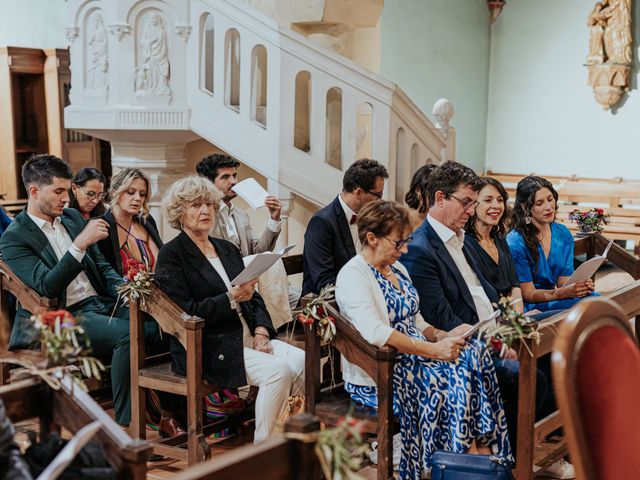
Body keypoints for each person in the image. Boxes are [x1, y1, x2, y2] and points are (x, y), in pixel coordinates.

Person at [336, 200, 511, 479]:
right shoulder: (353, 275)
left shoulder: (397, 270)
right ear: (371, 238)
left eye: (406, 241)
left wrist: (444, 334)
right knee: (453, 378)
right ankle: (458, 462)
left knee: (474, 353)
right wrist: (433, 350)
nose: (404, 250)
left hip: (417, 356)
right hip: (382, 371)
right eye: (398, 243)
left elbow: (416, 321)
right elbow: (376, 333)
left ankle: (480, 454)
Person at [0, 154, 163, 426]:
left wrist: (128, 290)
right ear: (34, 191)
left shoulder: (72, 217)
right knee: (129, 335)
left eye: (67, 190)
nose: (67, 198)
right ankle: (127, 428)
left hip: (98, 305)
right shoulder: (15, 237)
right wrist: (79, 245)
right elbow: (47, 288)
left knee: (158, 327)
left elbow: (102, 267)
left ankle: (164, 413)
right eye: (59, 191)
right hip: (58, 318)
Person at [154, 176, 304, 443]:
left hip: (245, 335)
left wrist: (261, 331)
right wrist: (231, 298)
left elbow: (252, 296)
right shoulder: (171, 254)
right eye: (195, 206)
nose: (204, 211)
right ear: (179, 212)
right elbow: (186, 312)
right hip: (207, 346)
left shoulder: (226, 248)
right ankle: (264, 451)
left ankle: (286, 439)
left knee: (302, 362)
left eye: (209, 205)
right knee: (278, 371)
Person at [400, 161, 497, 331]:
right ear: (440, 198)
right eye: (465, 202)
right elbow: (440, 317)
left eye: (473, 204)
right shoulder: (419, 249)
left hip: (496, 329)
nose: (471, 211)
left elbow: (483, 292)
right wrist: (490, 345)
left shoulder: (462, 239)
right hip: (469, 343)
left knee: (552, 323)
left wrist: (512, 327)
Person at [507, 176, 597, 313]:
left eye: (550, 199)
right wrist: (563, 293)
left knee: (597, 300)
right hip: (531, 306)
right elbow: (528, 294)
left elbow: (563, 280)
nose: (548, 207)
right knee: (593, 306)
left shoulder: (562, 233)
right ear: (526, 207)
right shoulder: (516, 242)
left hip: (556, 297)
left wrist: (579, 286)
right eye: (539, 203)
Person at [302, 158, 389, 295]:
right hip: (328, 307)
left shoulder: (370, 219)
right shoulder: (321, 223)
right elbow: (325, 284)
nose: (381, 201)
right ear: (359, 193)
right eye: (378, 195)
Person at [196, 154, 282, 257]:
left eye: (234, 175)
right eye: (225, 177)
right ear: (209, 183)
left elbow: (258, 252)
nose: (234, 181)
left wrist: (274, 219)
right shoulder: (203, 216)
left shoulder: (242, 215)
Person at [97, 168, 161, 276]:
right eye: (130, 192)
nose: (137, 198)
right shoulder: (102, 227)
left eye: (142, 194)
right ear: (114, 193)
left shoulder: (146, 221)